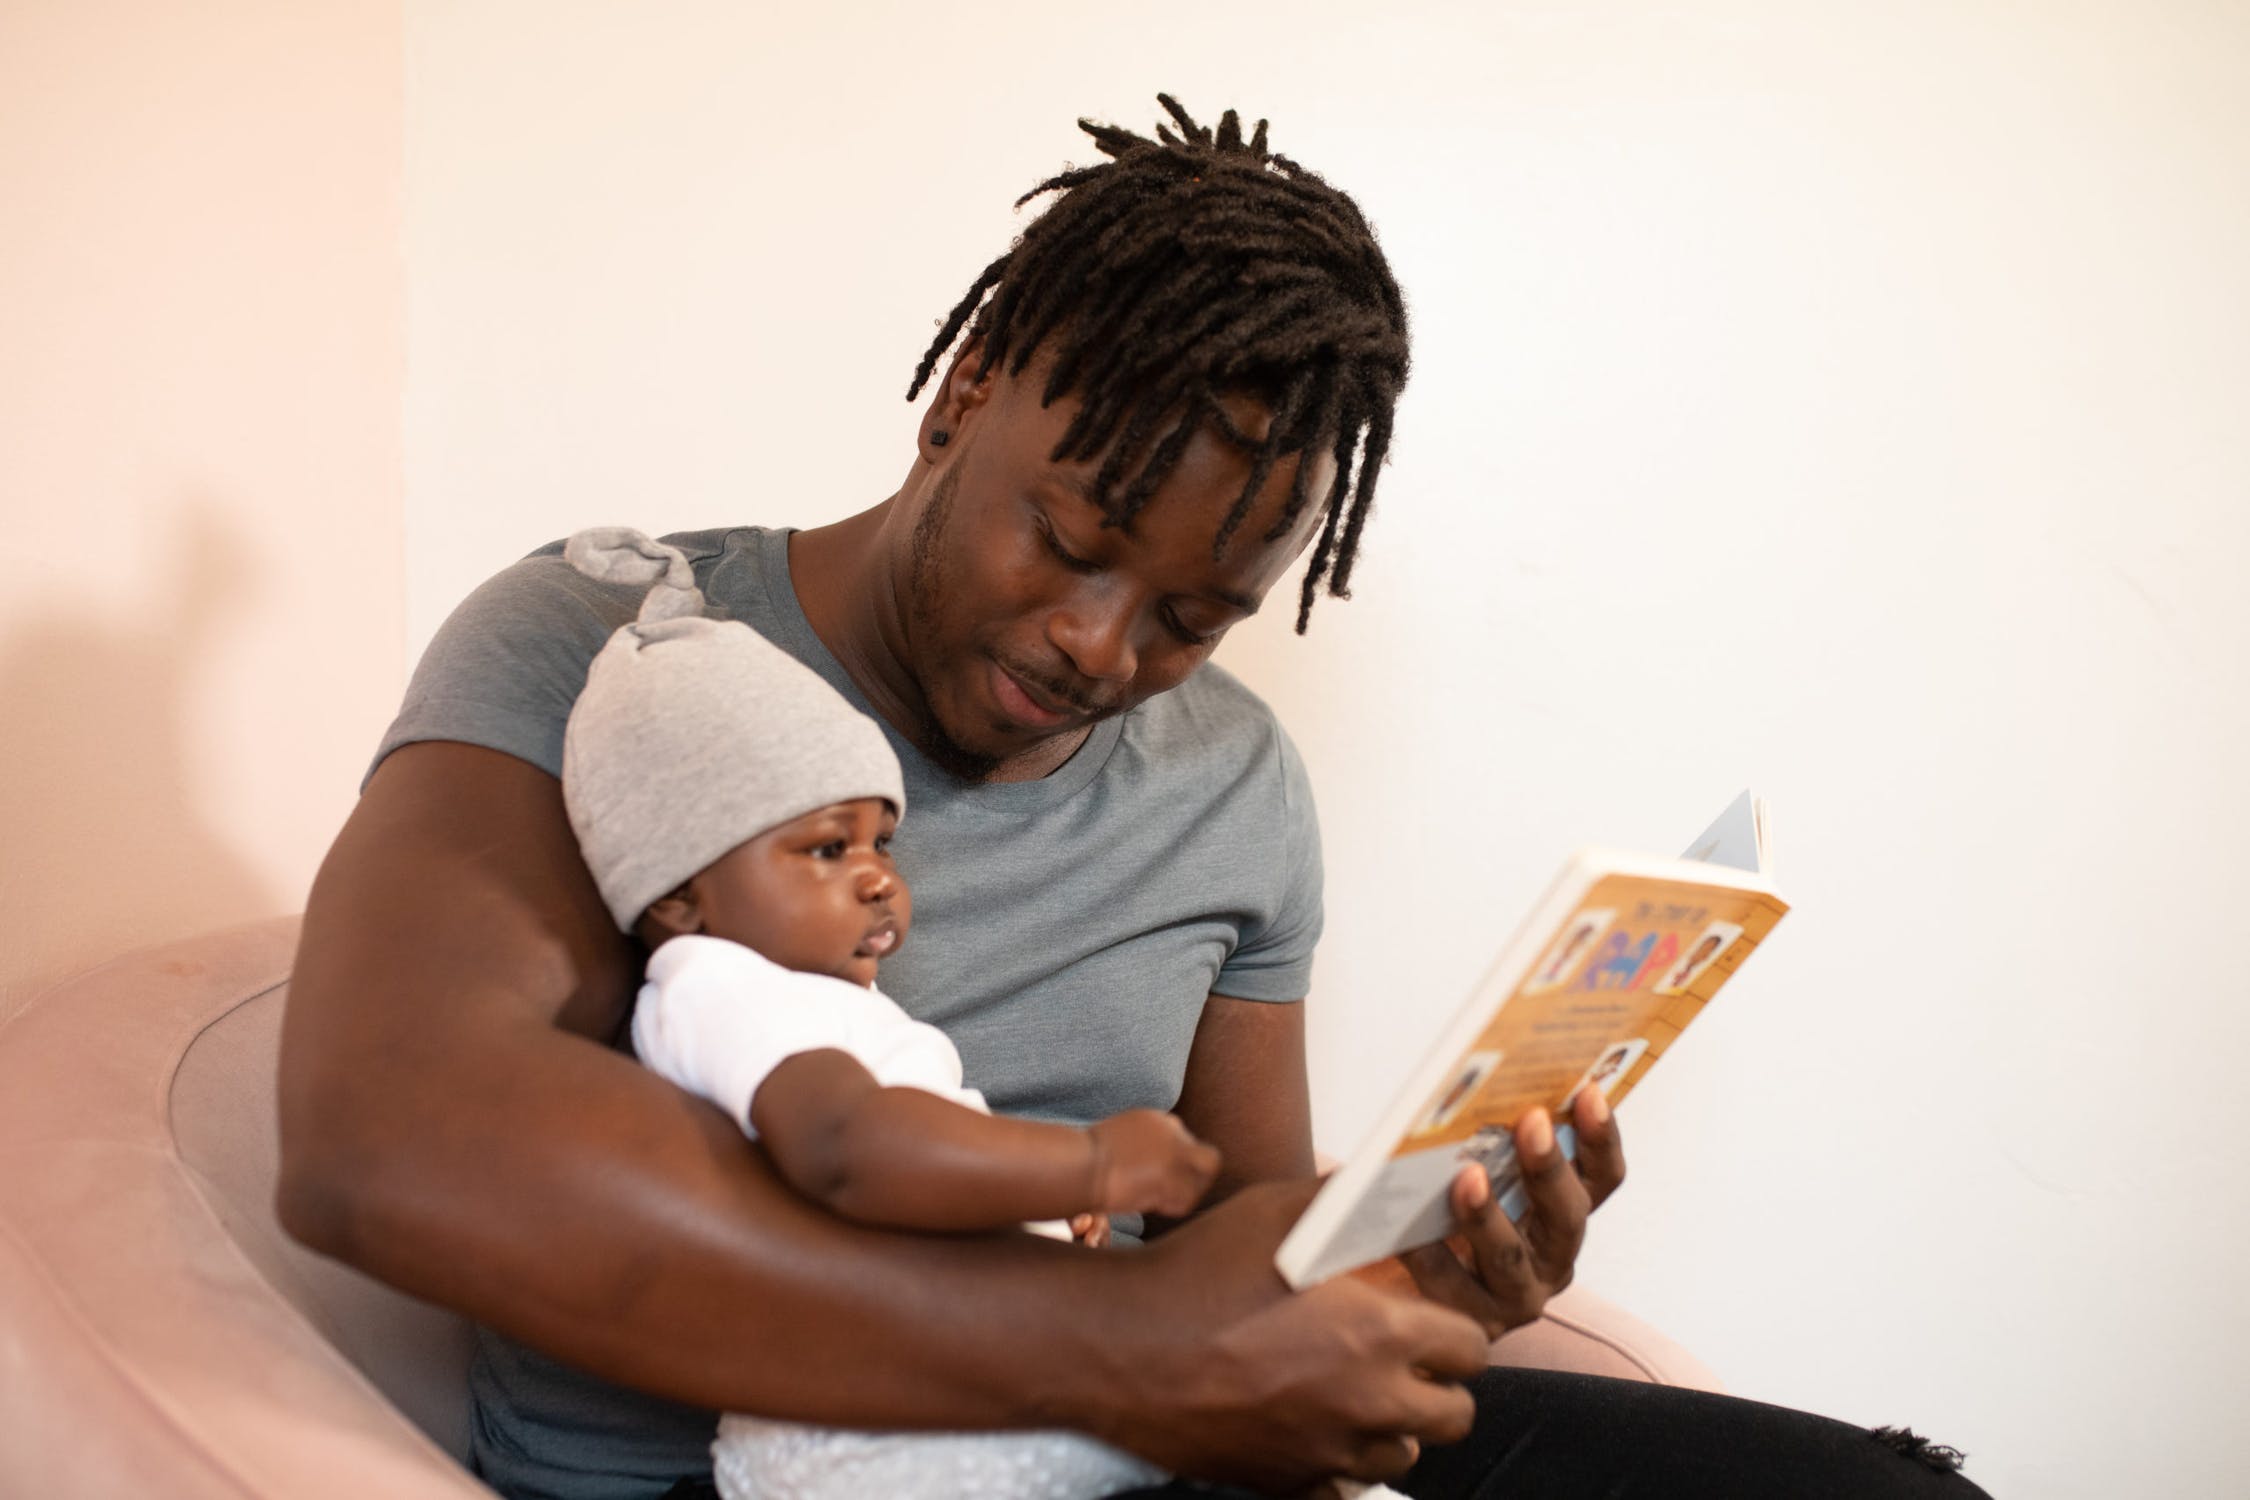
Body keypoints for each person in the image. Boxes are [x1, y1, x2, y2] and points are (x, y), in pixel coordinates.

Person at [278, 96, 1988, 1498]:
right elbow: (385, 1133)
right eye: (1075, 542)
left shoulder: (1235, 782)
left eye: (1191, 615)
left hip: (1123, 1446)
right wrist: (1124, 1349)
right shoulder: (617, 643)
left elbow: (1242, 1219)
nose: (1100, 646)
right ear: (964, 397)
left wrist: (1437, 1261)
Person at [556, 525, 1224, 1498]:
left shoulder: (810, 1002)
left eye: (884, 844)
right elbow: (845, 1145)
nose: (877, 878)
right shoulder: (717, 988)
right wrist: (1085, 1161)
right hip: (854, 1442)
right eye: (829, 849)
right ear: (676, 895)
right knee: (1243, 1418)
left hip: (909, 1406)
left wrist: (1042, 1206)